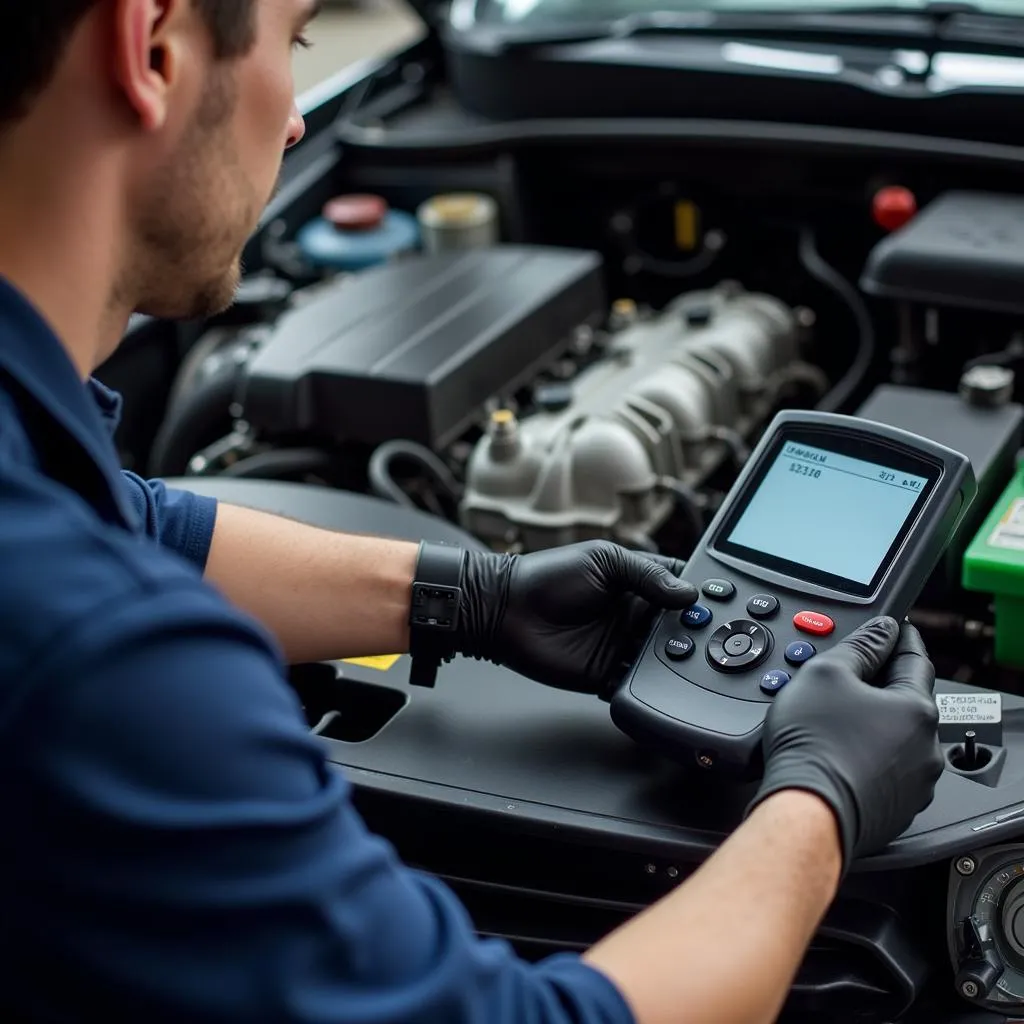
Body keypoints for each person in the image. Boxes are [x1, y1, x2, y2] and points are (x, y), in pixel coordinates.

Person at [0, 2, 946, 1021]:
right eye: (295, 40)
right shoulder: (102, 664)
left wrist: (474, 598)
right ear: (151, 47)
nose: (294, 123)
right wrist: (822, 802)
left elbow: (128, 518)